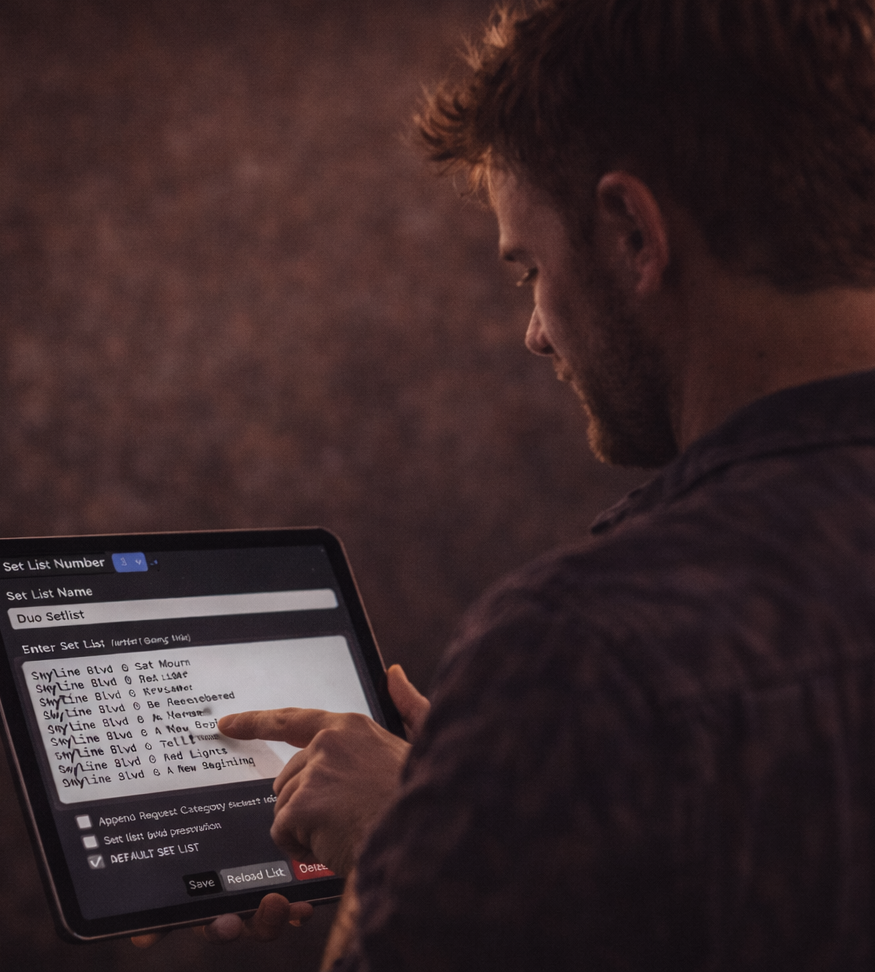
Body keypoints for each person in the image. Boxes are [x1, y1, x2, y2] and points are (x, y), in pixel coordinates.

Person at [141, 0, 875, 967]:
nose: (535, 330)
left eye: (527, 268)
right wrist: (491, 796)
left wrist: (402, 848)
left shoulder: (584, 649)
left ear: (631, 233)